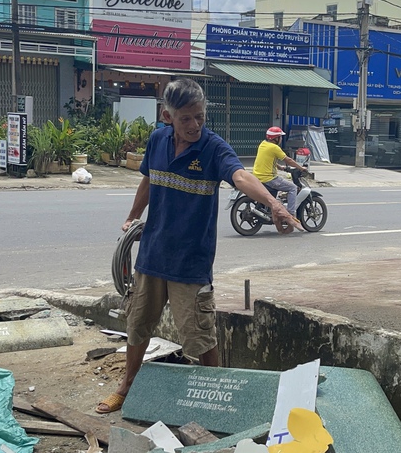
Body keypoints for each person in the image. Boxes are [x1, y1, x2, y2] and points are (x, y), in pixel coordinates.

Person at [95, 79, 302, 414]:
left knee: (200, 337)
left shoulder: (213, 148)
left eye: (200, 117)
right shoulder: (157, 141)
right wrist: (133, 215)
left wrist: (274, 204)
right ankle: (126, 386)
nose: (194, 125)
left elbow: (241, 177)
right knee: (137, 325)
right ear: (167, 117)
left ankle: (213, 397)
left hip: (191, 263)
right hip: (151, 255)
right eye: (186, 119)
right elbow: (148, 179)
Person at [252, 126, 308, 217]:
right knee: (293, 188)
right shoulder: (274, 148)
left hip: (258, 176)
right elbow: (288, 160)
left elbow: (268, 159)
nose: (281, 139)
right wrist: (301, 168)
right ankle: (290, 215)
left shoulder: (263, 144)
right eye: (280, 137)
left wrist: (280, 167)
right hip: (269, 178)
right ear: (276, 138)